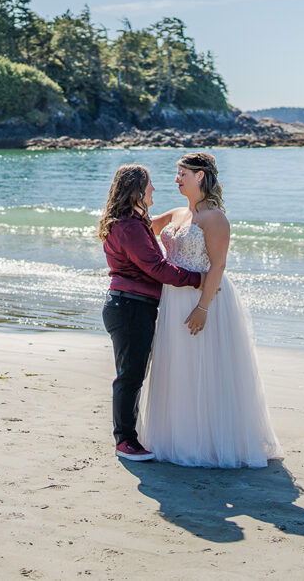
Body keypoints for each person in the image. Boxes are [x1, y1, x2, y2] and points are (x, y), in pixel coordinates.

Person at [139, 153, 283, 468]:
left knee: (204, 367)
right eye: (176, 173)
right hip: (173, 297)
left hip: (205, 298)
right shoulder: (177, 213)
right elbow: (141, 230)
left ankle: (207, 441)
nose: (176, 179)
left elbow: (218, 265)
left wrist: (203, 307)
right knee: (178, 366)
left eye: (182, 174)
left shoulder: (214, 218)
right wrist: (130, 202)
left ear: (200, 176)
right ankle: (177, 437)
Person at [99, 164, 207, 461]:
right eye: (149, 185)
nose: (154, 189)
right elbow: (157, 269)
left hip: (129, 305)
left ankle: (128, 437)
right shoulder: (130, 227)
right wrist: (199, 280)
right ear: (137, 189)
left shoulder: (132, 222)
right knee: (130, 376)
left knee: (131, 374)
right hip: (129, 306)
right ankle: (125, 441)